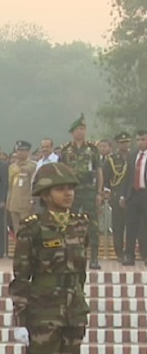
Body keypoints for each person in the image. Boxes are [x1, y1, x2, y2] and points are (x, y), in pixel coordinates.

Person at [10, 163, 89, 354]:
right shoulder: (33, 227)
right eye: (60, 189)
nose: (67, 193)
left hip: (74, 312)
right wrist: (20, 321)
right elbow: (21, 278)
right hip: (44, 313)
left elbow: (81, 272)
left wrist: (79, 300)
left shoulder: (80, 224)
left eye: (70, 189)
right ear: (45, 195)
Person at [60, 115, 103, 269]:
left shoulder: (92, 149)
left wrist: (99, 192)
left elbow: (98, 170)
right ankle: (69, 257)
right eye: (78, 129)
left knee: (92, 224)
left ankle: (94, 258)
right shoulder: (65, 150)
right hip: (71, 191)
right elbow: (61, 171)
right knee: (68, 223)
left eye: (83, 129)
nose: (81, 132)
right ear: (72, 132)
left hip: (89, 190)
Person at [120, 130, 147, 265]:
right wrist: (123, 195)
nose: (140, 142)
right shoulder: (133, 156)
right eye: (138, 140)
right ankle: (129, 255)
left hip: (145, 194)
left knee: (145, 227)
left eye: (143, 139)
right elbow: (127, 177)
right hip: (133, 195)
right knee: (130, 226)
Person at [105, 132, 131, 262]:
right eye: (121, 143)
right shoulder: (112, 159)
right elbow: (106, 178)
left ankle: (131, 252)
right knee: (118, 226)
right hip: (116, 195)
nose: (124, 145)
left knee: (135, 226)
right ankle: (119, 252)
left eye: (126, 142)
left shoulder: (134, 156)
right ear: (117, 144)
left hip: (133, 196)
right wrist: (106, 191)